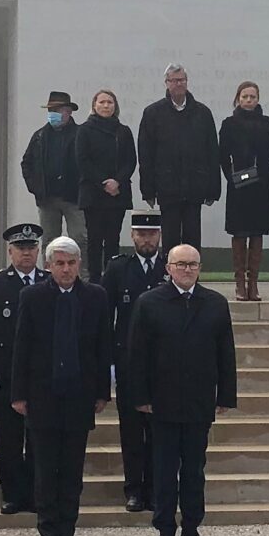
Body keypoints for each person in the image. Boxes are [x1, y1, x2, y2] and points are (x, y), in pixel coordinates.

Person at [124, 241, 238, 536]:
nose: (187, 270)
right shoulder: (149, 302)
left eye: (192, 264)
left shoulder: (215, 303)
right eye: (181, 264)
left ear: (200, 268)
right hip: (162, 401)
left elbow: (225, 353)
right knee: (163, 471)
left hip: (199, 400)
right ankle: (164, 531)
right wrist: (140, 396)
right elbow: (137, 354)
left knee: (193, 471)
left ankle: (191, 530)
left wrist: (226, 394)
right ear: (168, 268)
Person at [12, 235, 112, 536]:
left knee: (72, 470)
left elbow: (103, 347)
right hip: (43, 395)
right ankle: (48, 533)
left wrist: (102, 392)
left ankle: (68, 533)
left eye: (71, 263)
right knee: (44, 470)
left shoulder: (95, 297)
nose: (66, 269)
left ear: (79, 264)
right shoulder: (32, 297)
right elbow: (22, 347)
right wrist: (19, 393)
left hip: (79, 396)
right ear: (49, 265)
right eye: (60, 263)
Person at [99, 212, 170, 513]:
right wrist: (108, 363)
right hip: (128, 361)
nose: (146, 239)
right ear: (132, 236)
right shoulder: (119, 268)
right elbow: (104, 317)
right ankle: (133, 489)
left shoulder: (170, 268)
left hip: (162, 364)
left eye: (151, 234)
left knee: (159, 431)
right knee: (130, 430)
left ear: (159, 236)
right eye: (141, 234)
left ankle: (154, 489)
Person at [0, 223, 46, 514]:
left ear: (38, 251)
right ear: (10, 251)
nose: (26, 253)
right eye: (20, 248)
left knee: (38, 438)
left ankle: (36, 493)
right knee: (8, 438)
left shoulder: (48, 281)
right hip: (5, 373)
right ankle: (12, 494)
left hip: (39, 374)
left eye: (31, 248)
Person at [138, 62, 223, 254]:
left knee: (193, 238)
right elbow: (146, 155)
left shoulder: (202, 113)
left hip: (195, 187)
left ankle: (192, 271)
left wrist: (213, 189)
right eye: (174, 80)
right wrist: (148, 190)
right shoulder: (153, 113)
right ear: (166, 83)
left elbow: (212, 152)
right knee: (170, 239)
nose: (179, 84)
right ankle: (170, 271)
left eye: (182, 80)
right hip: (167, 187)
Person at [219, 80, 269, 303]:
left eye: (252, 96)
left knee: (257, 232)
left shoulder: (266, 123)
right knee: (239, 233)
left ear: (258, 99)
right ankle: (240, 283)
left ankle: (253, 283)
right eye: (245, 96)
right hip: (238, 187)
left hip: (261, 185)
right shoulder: (229, 123)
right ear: (238, 98)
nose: (249, 100)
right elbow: (223, 155)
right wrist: (233, 177)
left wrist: (256, 174)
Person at [77, 88, 139, 264]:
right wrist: (103, 183)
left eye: (110, 102)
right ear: (94, 106)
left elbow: (130, 161)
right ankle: (95, 276)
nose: (106, 106)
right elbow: (83, 161)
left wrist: (117, 181)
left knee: (113, 239)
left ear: (115, 106)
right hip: (93, 194)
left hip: (117, 194)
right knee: (94, 240)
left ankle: (112, 275)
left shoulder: (123, 131)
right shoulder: (84, 130)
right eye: (102, 102)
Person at [22, 90, 83, 248]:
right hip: (47, 198)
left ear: (68, 112)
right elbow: (27, 163)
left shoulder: (80, 134)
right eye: (51, 110)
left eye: (57, 110)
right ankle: (49, 265)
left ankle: (81, 266)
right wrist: (35, 187)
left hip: (74, 198)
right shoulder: (39, 136)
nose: (53, 114)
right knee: (49, 241)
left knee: (80, 239)